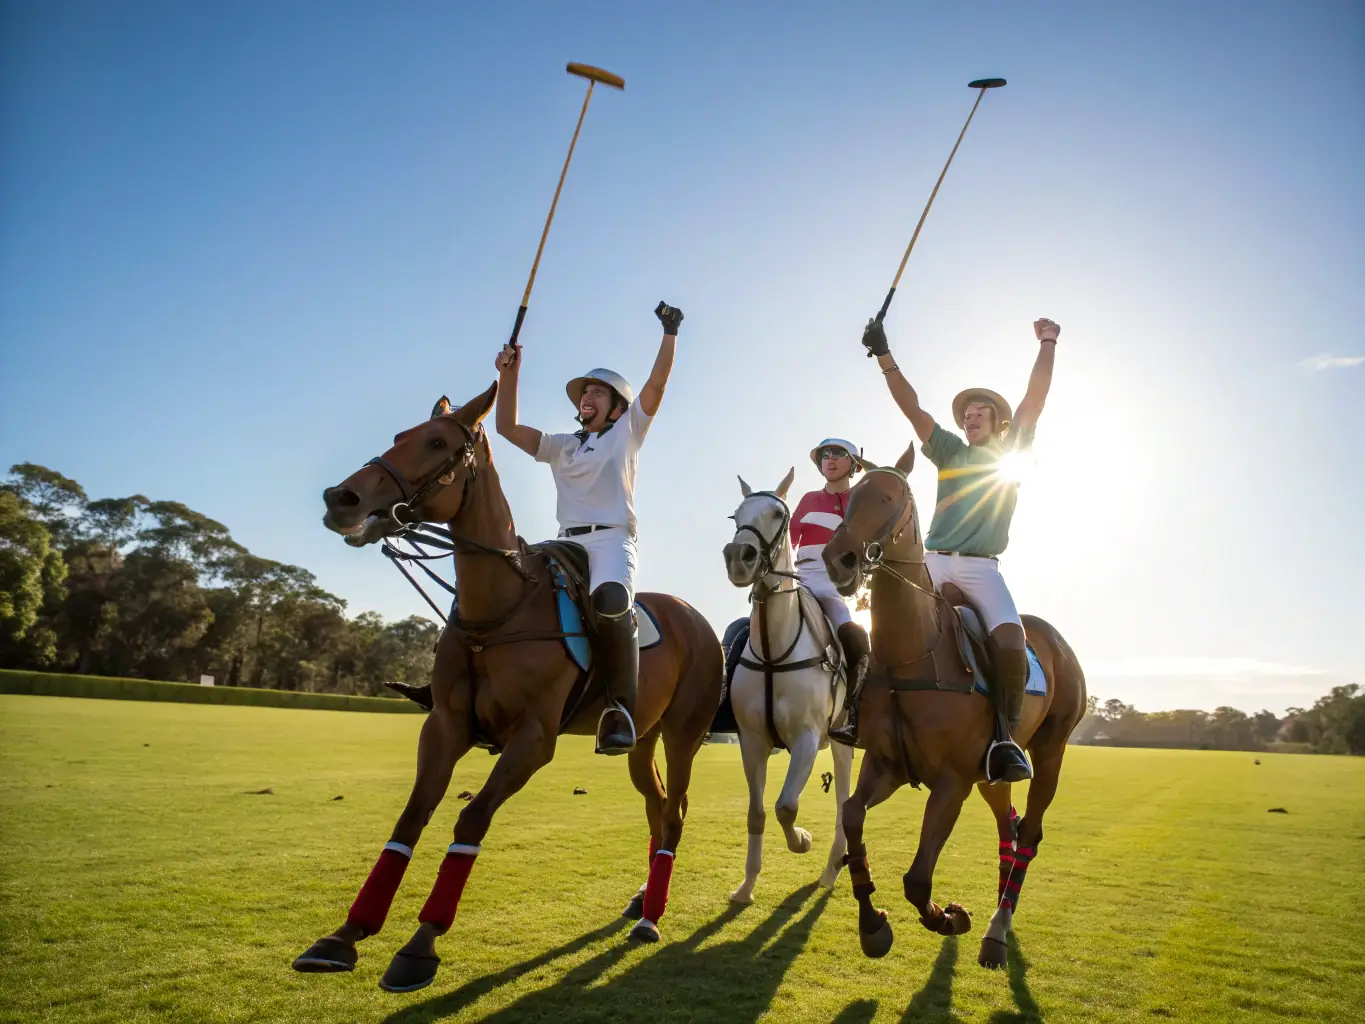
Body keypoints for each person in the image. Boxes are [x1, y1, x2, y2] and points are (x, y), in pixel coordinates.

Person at [860, 315, 1061, 782]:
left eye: (979, 412)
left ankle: (1004, 741)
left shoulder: (1012, 450)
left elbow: (1036, 398)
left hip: (981, 570)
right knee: (879, 625)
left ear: (998, 422)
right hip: (931, 564)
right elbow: (912, 408)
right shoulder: (949, 451)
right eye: (967, 413)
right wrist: (884, 355)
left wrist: (1047, 342)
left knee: (1011, 639)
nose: (970, 417)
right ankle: (863, 714)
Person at [493, 301, 683, 755]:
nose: (587, 398)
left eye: (598, 393)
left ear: (617, 406)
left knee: (613, 601)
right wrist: (509, 374)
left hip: (612, 541)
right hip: (565, 543)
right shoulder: (563, 446)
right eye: (584, 393)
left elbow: (656, 386)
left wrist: (670, 334)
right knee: (511, 584)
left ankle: (619, 708)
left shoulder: (627, 431)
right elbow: (504, 427)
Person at [789, 438, 871, 746]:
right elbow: (788, 540)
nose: (830, 459)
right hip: (797, 577)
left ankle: (853, 713)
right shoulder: (809, 499)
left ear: (853, 463)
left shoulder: (862, 501)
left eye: (837, 453)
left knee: (853, 635)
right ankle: (729, 705)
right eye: (825, 454)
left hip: (835, 586)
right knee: (747, 627)